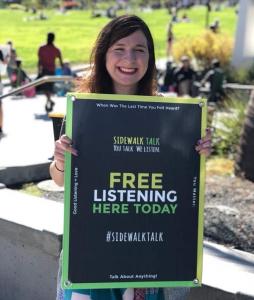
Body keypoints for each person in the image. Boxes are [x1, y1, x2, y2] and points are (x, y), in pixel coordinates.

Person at [49, 15, 212, 300]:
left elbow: (178, 179)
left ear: (150, 57)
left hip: (144, 255)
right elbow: (60, 180)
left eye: (140, 49)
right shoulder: (83, 109)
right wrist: (61, 160)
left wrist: (197, 152)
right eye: (119, 48)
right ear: (103, 54)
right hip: (91, 251)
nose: (130, 58)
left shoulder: (167, 114)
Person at [38, 32, 63, 112]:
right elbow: (61, 62)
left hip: (46, 71)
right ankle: (49, 101)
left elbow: (39, 61)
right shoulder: (56, 49)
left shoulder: (42, 48)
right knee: (47, 88)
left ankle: (49, 101)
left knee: (46, 88)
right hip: (51, 71)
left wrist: (39, 70)